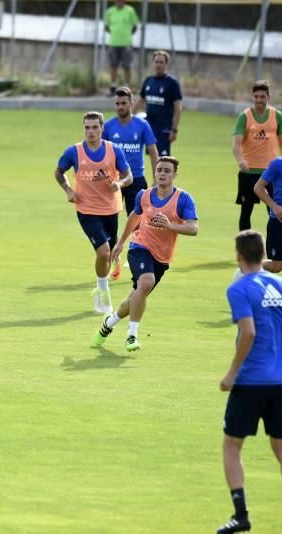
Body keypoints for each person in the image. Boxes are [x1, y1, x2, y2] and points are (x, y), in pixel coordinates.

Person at [93, 156, 197, 351]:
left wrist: (169, 225)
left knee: (134, 298)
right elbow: (135, 216)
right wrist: (121, 242)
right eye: (159, 170)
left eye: (167, 171)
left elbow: (193, 228)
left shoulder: (183, 199)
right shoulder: (144, 195)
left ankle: (108, 324)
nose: (162, 174)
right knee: (146, 282)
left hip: (162, 257)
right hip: (139, 247)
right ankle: (131, 336)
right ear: (155, 172)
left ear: (175, 175)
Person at [216, 230, 282, 534]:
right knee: (280, 447)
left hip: (253, 380)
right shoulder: (278, 285)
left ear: (239, 256)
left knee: (232, 445)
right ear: (263, 256)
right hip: (280, 380)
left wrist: (232, 373)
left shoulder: (239, 288)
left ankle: (240, 514)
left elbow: (249, 332)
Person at [55, 111, 133, 313]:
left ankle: (100, 288)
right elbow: (58, 172)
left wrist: (119, 183)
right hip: (86, 209)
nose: (91, 131)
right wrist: (68, 190)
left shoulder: (114, 150)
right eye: (87, 127)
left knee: (108, 255)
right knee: (104, 251)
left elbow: (128, 176)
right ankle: (103, 291)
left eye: (95, 127)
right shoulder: (73, 152)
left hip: (110, 209)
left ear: (102, 129)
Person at [233, 80, 282, 231]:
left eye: (262, 96)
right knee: (246, 211)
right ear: (252, 97)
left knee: (275, 210)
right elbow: (236, 144)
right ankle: (244, 248)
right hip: (249, 172)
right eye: (256, 96)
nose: (259, 100)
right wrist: (241, 160)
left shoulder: (277, 116)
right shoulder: (244, 117)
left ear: (268, 97)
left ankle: (276, 243)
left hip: (271, 173)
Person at [103, 86, 159, 216]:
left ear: (131, 103)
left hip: (136, 179)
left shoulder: (142, 125)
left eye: (123, 103)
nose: (120, 106)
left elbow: (153, 152)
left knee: (138, 221)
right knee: (108, 218)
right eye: (117, 103)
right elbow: (101, 154)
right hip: (114, 180)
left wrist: (156, 180)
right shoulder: (108, 126)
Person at [133, 50, 182, 157]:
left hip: (164, 128)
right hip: (150, 127)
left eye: (161, 62)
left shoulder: (172, 83)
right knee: (151, 156)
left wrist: (174, 129)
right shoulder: (148, 81)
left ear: (166, 64)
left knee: (163, 159)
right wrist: (129, 117)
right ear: (153, 63)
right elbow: (140, 101)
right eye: (156, 62)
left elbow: (178, 108)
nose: (158, 65)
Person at [104, 0, 140, 97]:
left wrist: (127, 35)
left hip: (126, 43)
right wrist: (115, 34)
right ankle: (113, 87)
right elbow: (106, 27)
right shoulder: (110, 11)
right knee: (113, 66)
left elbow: (135, 26)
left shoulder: (130, 10)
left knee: (127, 66)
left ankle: (127, 89)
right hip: (113, 43)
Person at [253, 157, 282, 273]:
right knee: (276, 266)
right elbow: (258, 187)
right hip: (278, 222)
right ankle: (247, 270)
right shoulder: (278, 164)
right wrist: (274, 206)